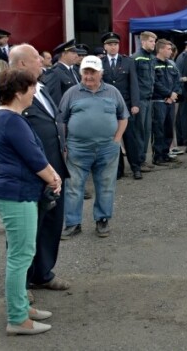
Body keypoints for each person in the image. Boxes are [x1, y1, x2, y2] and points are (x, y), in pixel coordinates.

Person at [0, 69, 62, 336]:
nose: (35, 93)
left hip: (17, 192)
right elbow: (34, 157)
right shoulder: (11, 121)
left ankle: (20, 305)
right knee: (20, 256)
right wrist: (53, 177)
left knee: (21, 253)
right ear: (19, 92)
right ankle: (17, 317)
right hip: (18, 193)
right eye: (32, 88)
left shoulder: (4, 118)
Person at [9, 45, 71, 297]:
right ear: (22, 64)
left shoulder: (41, 89)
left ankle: (42, 274)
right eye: (37, 58)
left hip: (54, 170)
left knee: (51, 226)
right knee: (26, 233)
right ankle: (21, 286)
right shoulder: (12, 94)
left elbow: (55, 124)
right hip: (31, 173)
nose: (43, 62)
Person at [60, 55, 129, 239]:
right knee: (73, 186)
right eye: (85, 72)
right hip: (77, 148)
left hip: (107, 148)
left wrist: (117, 139)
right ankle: (73, 223)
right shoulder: (71, 93)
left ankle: (102, 220)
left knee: (106, 185)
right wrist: (63, 144)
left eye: (93, 72)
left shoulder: (113, 92)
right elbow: (62, 120)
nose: (88, 76)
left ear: (101, 73)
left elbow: (123, 116)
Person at [100, 32, 142, 179]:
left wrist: (135, 104)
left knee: (131, 138)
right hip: (108, 108)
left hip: (126, 106)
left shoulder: (128, 61)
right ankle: (118, 170)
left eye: (115, 44)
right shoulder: (101, 63)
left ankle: (136, 167)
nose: (113, 47)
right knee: (114, 139)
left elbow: (134, 84)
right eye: (110, 44)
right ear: (105, 46)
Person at [152, 39, 181, 166]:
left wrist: (174, 94)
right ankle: (157, 156)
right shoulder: (153, 64)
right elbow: (154, 83)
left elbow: (177, 80)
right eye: (168, 49)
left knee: (169, 129)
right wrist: (168, 94)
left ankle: (165, 153)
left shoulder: (171, 64)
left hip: (170, 101)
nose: (171, 51)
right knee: (159, 129)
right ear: (160, 49)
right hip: (159, 101)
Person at [133, 31, 157, 171]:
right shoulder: (136, 58)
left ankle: (142, 159)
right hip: (140, 99)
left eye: (154, 41)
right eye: (151, 41)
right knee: (139, 132)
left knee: (147, 131)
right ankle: (137, 162)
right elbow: (133, 82)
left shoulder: (151, 58)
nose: (153, 43)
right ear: (143, 42)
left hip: (149, 98)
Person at [44, 39, 81, 105]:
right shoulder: (55, 72)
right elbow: (55, 99)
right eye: (73, 53)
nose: (77, 56)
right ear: (63, 54)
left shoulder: (74, 71)